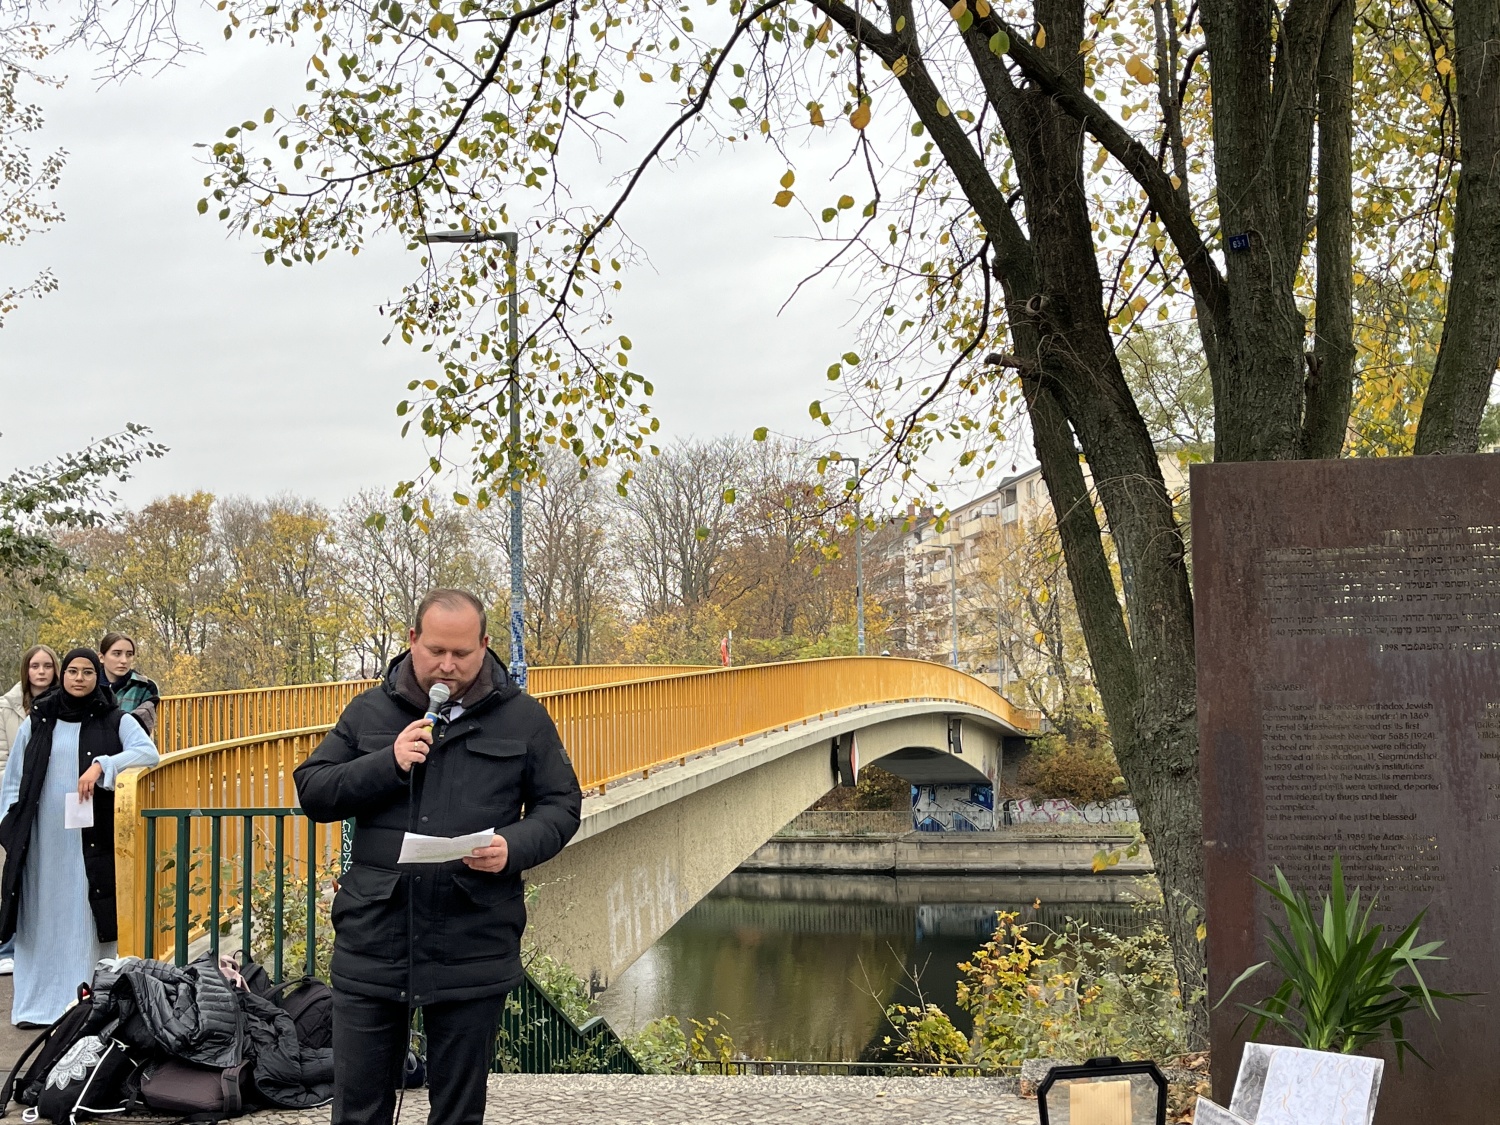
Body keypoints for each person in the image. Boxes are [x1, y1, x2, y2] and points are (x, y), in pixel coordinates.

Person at [295, 589, 581, 1125]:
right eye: (435, 651)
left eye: (462, 653)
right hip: (375, 937)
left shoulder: (523, 719)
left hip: (474, 936)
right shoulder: (369, 710)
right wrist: (388, 762)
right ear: (412, 641)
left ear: (484, 646)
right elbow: (313, 791)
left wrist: (512, 847)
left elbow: (562, 805)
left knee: (457, 1112)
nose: (447, 665)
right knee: (358, 1109)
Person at [0, 648, 159, 1027]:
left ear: (96, 677)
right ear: (63, 675)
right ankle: (37, 1005)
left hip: (89, 837)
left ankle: (82, 1004)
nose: (79, 678)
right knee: (40, 913)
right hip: (40, 837)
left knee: (85, 913)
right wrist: (9, 821)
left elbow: (147, 753)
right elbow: (15, 776)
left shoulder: (113, 717)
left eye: (88, 672)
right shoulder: (39, 719)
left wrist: (103, 765)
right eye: (73, 671)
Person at [0, 645, 60, 976]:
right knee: (14, 873)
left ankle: (45, 946)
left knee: (49, 876)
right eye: (35, 665)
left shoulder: (64, 706)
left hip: (50, 800)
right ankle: (7, 947)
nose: (40, 671)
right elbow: (3, 760)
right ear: (26, 670)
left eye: (47, 665)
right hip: (16, 803)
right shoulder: (7, 707)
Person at [99, 632, 161, 737]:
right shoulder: (89, 686)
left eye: (129, 655)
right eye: (117, 653)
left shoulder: (145, 687)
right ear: (101, 657)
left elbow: (138, 729)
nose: (124, 661)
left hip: (131, 749)